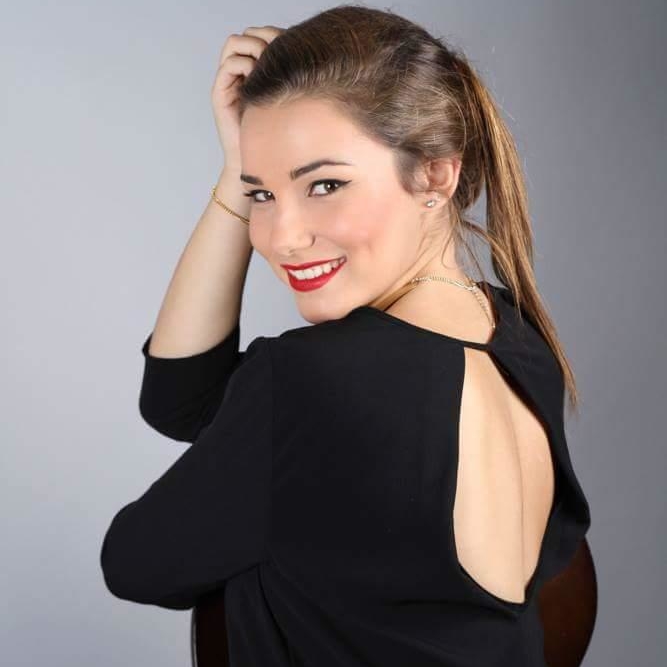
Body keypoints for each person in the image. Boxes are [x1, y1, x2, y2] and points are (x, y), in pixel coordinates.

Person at [100, 5, 591, 666]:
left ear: (434, 174)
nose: (282, 238)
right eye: (261, 195)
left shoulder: (313, 380)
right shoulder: (516, 337)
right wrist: (237, 168)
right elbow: (182, 400)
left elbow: (134, 563)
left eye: (324, 184)